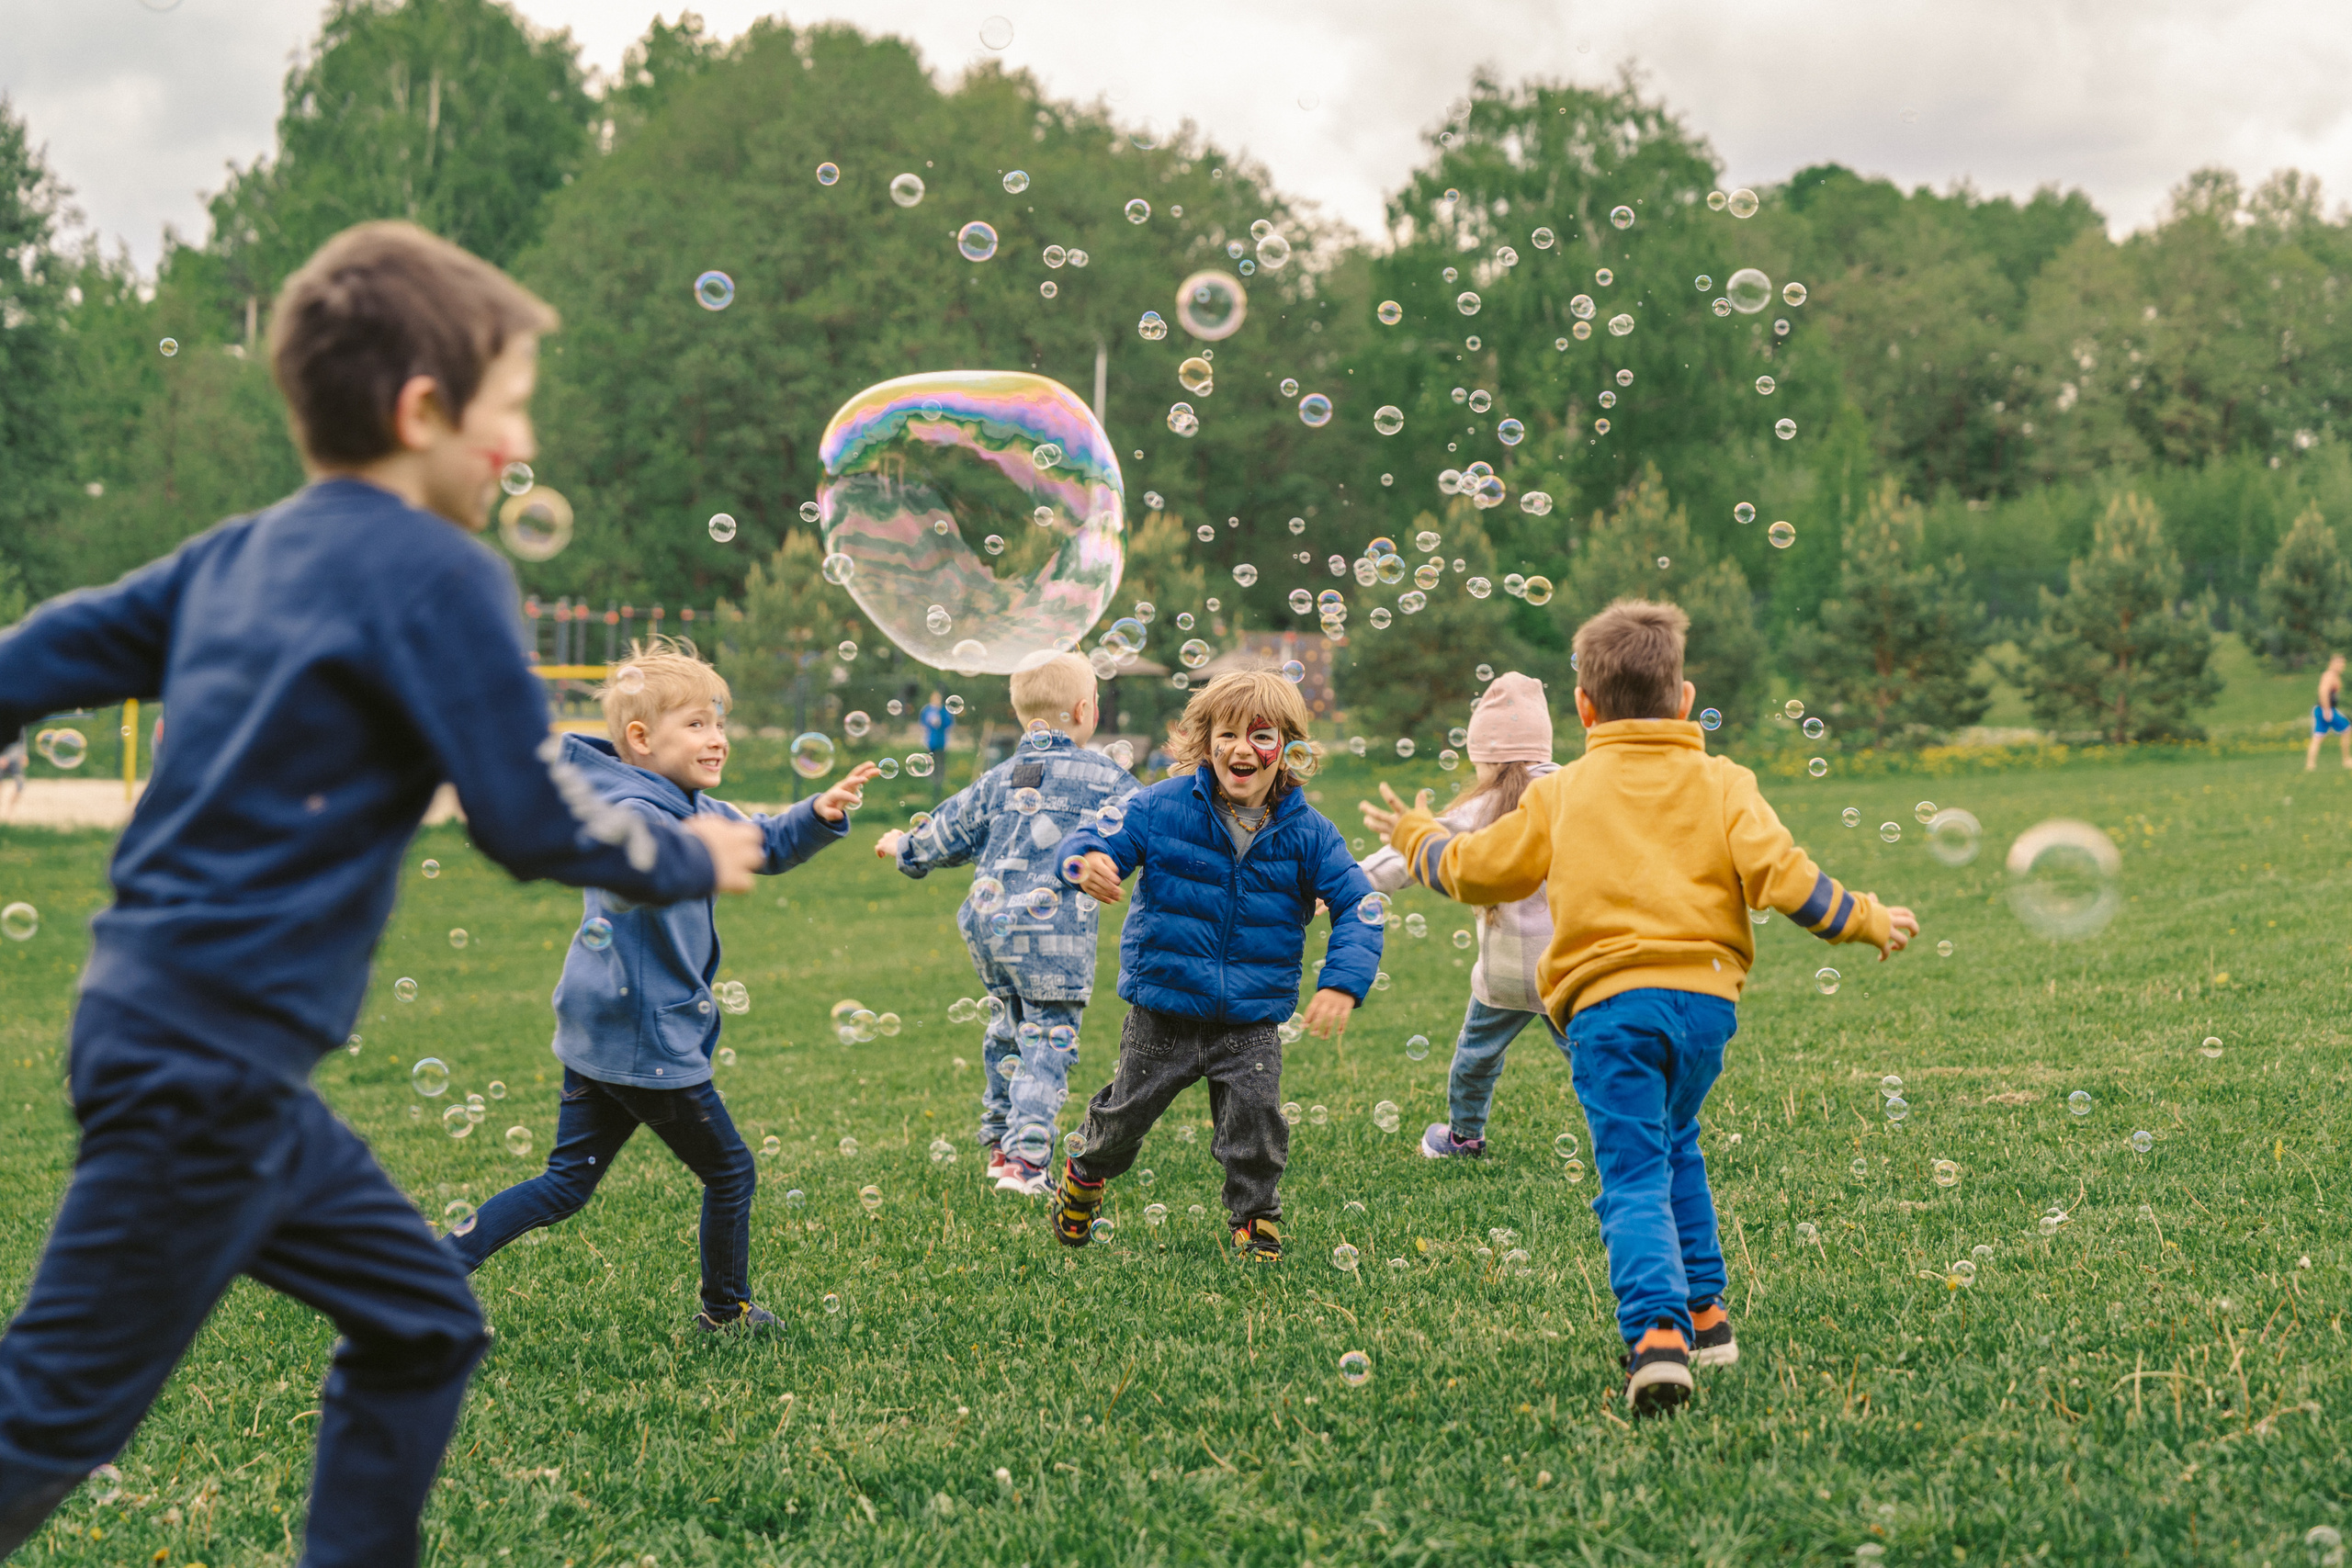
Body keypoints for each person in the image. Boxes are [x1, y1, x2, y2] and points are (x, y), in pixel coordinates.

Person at [0, 220, 768, 1557]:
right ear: (424, 410)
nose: (519, 444)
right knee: (51, 1409)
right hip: (209, 1059)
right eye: (510, 407)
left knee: (424, 1316)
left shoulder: (235, 551)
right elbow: (528, 820)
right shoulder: (445, 572)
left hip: (184, 1036)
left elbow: (46, 649)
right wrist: (683, 851)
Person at [1363, 601, 1916, 1415]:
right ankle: (1708, 1314)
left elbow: (1481, 870)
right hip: (1704, 1011)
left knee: (1630, 1172)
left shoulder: (1564, 793)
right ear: (1684, 698)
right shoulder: (1726, 782)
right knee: (1676, 1144)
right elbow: (1787, 879)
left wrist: (1417, 837)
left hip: (1611, 1013)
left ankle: (1657, 1337)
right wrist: (1866, 916)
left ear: (1584, 709)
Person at [447, 637, 878, 1327]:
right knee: (731, 1171)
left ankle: (434, 1265)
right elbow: (632, 863)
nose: (718, 739)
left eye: (719, 722)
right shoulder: (635, 810)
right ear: (642, 738)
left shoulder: (687, 802)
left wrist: (816, 815)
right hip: (647, 1035)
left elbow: (762, 842)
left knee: (566, 1182)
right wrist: (687, 856)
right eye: (697, 725)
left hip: (605, 1029)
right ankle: (725, 1310)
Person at [1052, 669, 1382, 1261]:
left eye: (1260, 736)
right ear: (1205, 743)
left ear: (1288, 750)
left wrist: (1342, 983)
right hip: (1164, 1006)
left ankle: (1255, 1218)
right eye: (1226, 734)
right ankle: (1086, 1170)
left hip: (1252, 1016)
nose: (1241, 749)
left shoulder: (1309, 833)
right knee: (1124, 1116)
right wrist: (1086, 860)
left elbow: (1359, 903)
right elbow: (1092, 837)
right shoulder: (1160, 807)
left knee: (1255, 1122)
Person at [875, 653, 1139, 1193]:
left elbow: (945, 833)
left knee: (1007, 1027)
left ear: (1023, 717)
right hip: (1053, 937)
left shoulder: (1000, 777)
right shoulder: (1106, 777)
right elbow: (1154, 825)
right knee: (1047, 1039)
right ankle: (1025, 1161)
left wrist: (902, 846)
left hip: (989, 929)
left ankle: (999, 1142)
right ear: (1086, 710)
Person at [1358, 672, 1560, 1158]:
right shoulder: (1571, 794)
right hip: (1567, 971)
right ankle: (1628, 1140)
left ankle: (1464, 1137)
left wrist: (1348, 883)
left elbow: (1416, 852)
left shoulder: (1481, 807)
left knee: (1474, 1059)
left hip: (1504, 976)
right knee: (1596, 1064)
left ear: (1481, 756)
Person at [2308, 654, 2348, 771]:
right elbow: (2323, 692)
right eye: (2340, 663)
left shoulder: (2333, 676)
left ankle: (2310, 765)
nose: (2342, 666)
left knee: (2318, 737)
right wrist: (2327, 710)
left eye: (2343, 663)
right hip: (2325, 709)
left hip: (2323, 709)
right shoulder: (2329, 675)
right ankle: (2346, 760)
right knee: (2347, 729)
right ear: (2333, 663)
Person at [919, 689, 954, 800]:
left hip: (942, 741)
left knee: (940, 761)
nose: (936, 700)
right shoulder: (927, 709)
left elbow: (950, 723)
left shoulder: (944, 710)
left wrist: (941, 720)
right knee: (930, 761)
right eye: (934, 698)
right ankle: (931, 780)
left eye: (938, 698)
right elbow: (922, 723)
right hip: (930, 740)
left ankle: (940, 780)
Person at [0, 737, 22, 822]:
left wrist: (23, 754)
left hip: (15, 758)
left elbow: (22, 739)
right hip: (1, 757)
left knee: (20, 785)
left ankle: (9, 814)